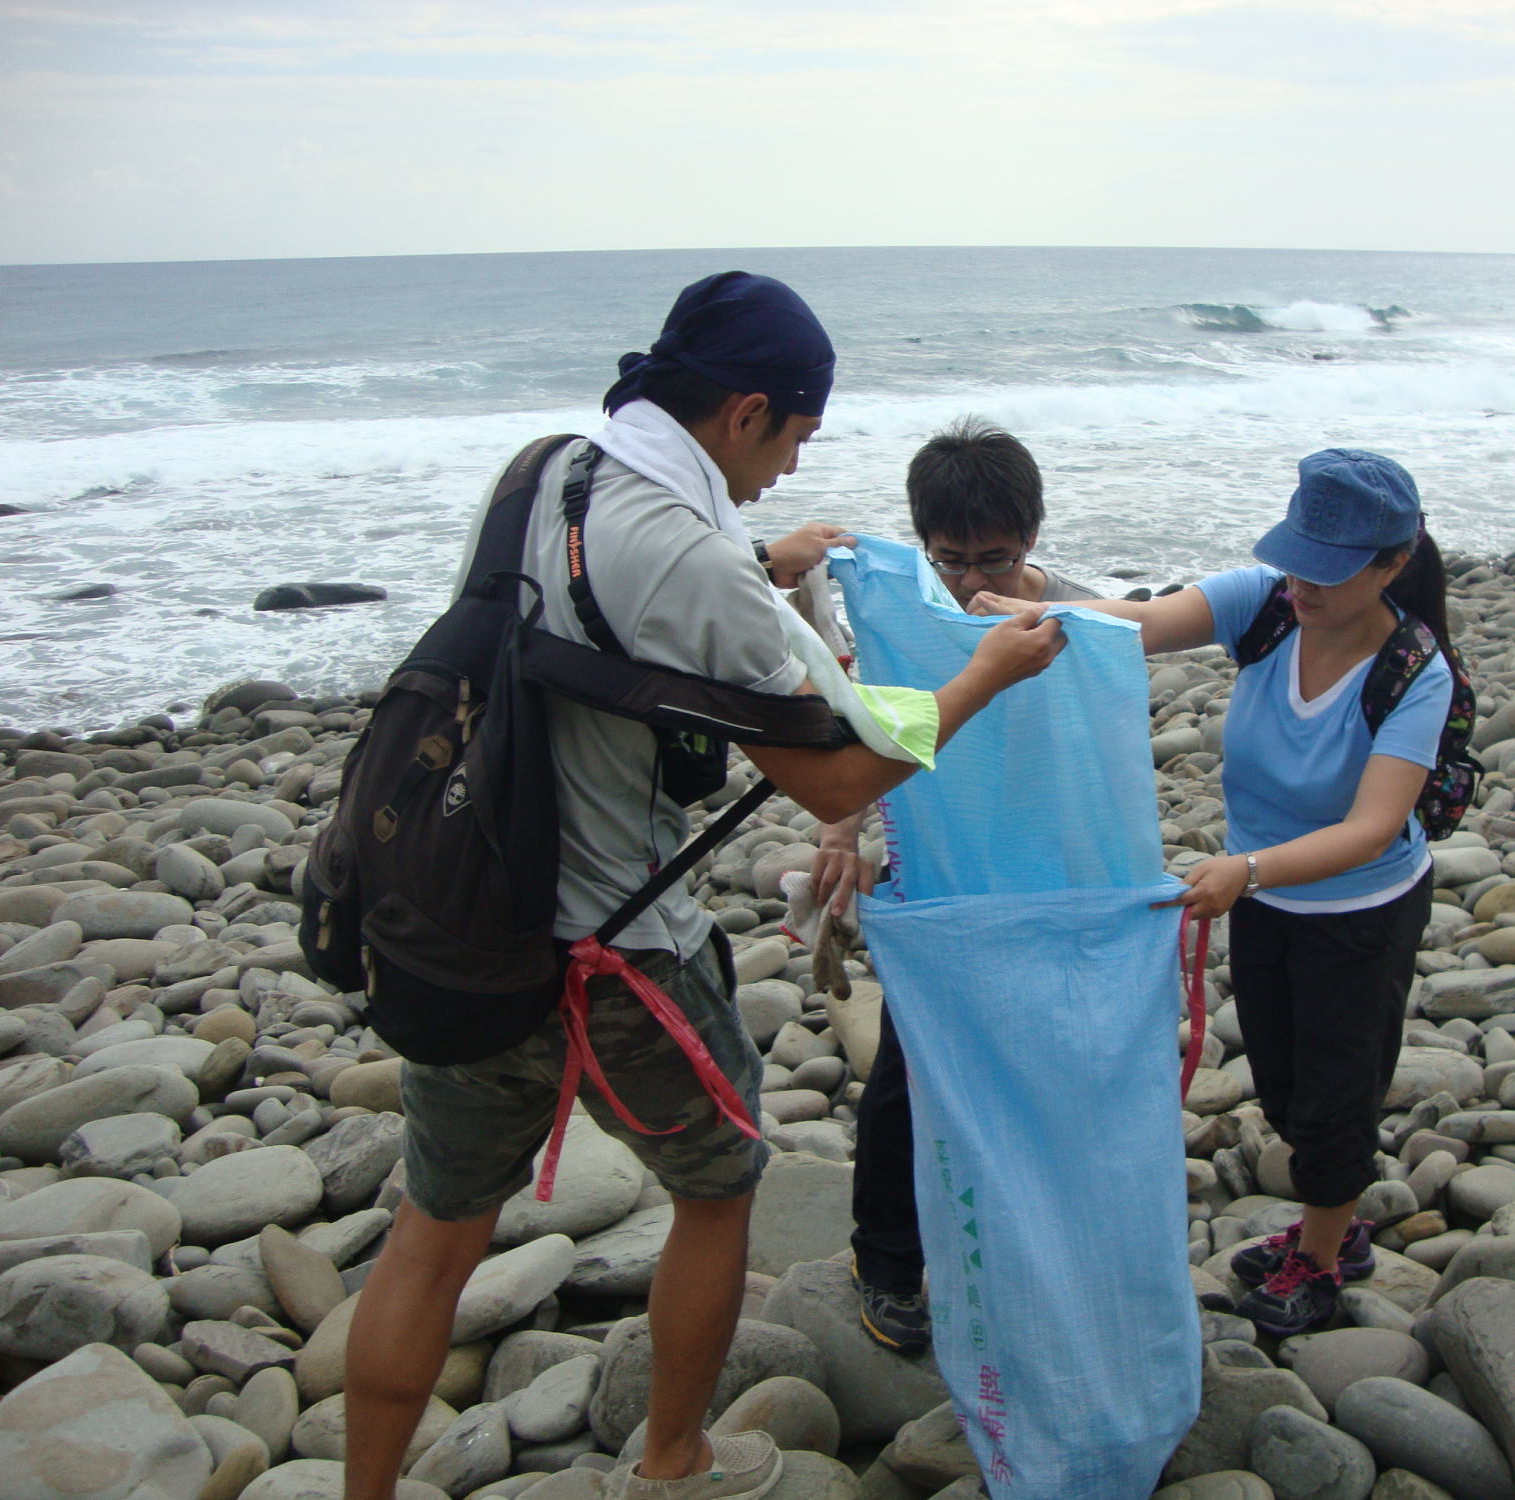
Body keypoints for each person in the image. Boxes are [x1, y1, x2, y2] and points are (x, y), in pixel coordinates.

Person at [341, 275, 1066, 1500]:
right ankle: (671, 1460)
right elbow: (833, 780)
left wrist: (760, 560)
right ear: (743, 411)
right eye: (791, 438)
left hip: (457, 916)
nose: (787, 467)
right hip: (619, 958)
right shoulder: (692, 559)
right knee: (720, 1193)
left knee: (435, 1230)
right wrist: (986, 672)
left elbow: (603, 598)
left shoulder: (540, 470)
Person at [972, 447, 1457, 1341]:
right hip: (1264, 896)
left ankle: (1323, 1251)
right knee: (1277, 1072)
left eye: (1329, 567)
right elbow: (1139, 624)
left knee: (1336, 1091)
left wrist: (1251, 870)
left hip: (1359, 911)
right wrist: (1032, 612)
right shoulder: (1266, 606)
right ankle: (1330, 1218)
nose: (1303, 582)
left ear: (1392, 562)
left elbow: (1373, 827)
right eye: (1296, 555)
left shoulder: (1415, 672)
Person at [806, 419, 1101, 1356]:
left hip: (1046, 880)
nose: (974, 582)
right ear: (922, 543)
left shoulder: (1081, 618)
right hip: (938, 877)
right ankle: (885, 1259)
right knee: (910, 1069)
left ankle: (1024, 1250)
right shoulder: (907, 616)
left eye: (998, 558)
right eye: (951, 558)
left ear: (1035, 536)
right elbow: (858, 717)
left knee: (1043, 1069)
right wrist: (840, 829)